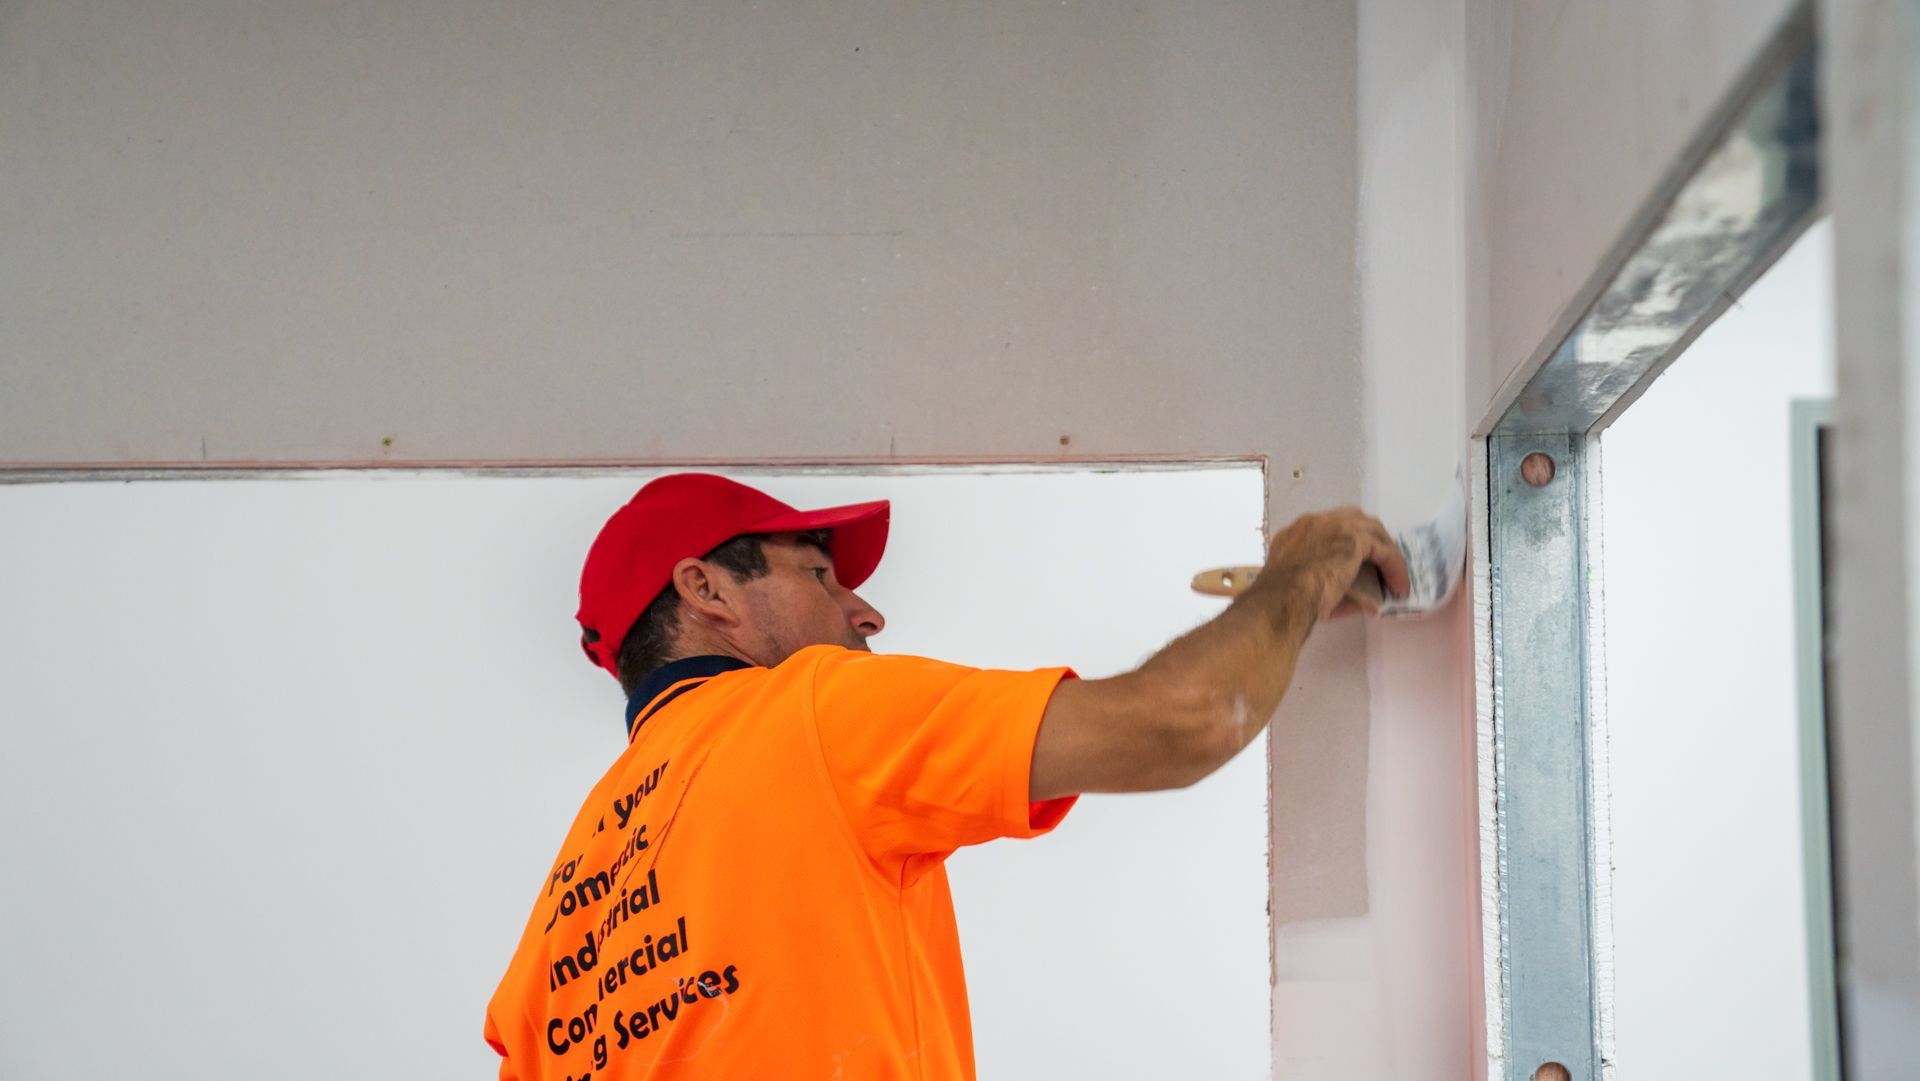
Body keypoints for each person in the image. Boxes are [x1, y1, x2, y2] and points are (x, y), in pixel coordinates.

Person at [483, 472, 1409, 1080]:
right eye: (818, 572)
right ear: (708, 590)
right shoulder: (809, 711)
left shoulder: (559, 919)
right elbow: (1186, 719)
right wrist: (1304, 569)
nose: (865, 610)